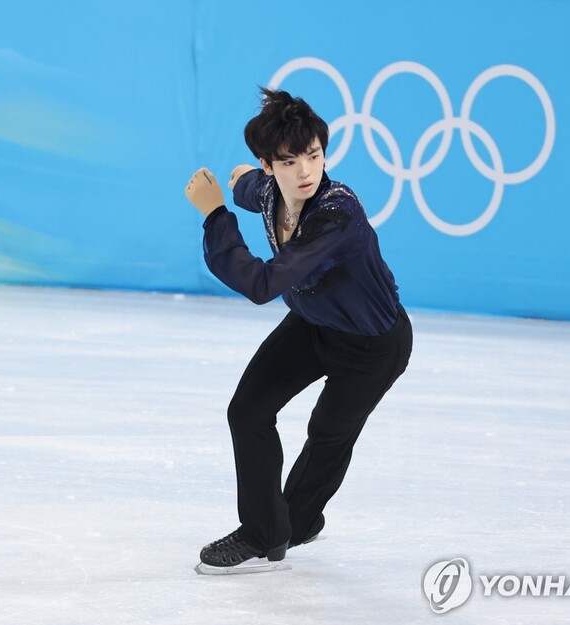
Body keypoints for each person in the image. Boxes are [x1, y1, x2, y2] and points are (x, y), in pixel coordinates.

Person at [184, 88, 412, 573]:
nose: (305, 171)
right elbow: (251, 187)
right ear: (269, 166)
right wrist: (241, 180)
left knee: (327, 435)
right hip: (312, 324)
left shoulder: (337, 213)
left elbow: (263, 284)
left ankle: (297, 522)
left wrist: (215, 215)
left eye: (313, 155)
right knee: (247, 411)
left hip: (373, 346)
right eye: (288, 162)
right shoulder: (267, 189)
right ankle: (265, 534)